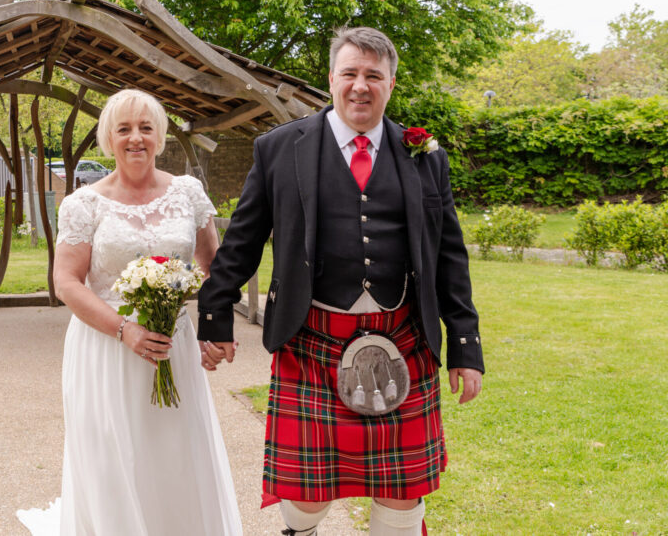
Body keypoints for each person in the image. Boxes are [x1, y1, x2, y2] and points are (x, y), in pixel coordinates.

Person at [197, 27, 483, 536]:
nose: (360, 86)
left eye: (374, 75)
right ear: (331, 79)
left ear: (391, 84)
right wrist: (215, 315)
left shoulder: (424, 154)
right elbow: (242, 242)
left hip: (404, 338)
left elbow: (449, 257)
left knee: (402, 489)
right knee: (305, 494)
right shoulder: (279, 149)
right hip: (312, 341)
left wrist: (465, 345)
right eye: (350, 73)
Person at [17, 89, 242, 536]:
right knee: (112, 458)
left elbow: (212, 265)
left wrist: (215, 329)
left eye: (146, 128)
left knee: (176, 452)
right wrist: (125, 330)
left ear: (159, 136)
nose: (135, 138)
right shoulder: (84, 203)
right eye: (124, 129)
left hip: (172, 344)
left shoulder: (187, 192)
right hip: (106, 348)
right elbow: (65, 282)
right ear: (108, 138)